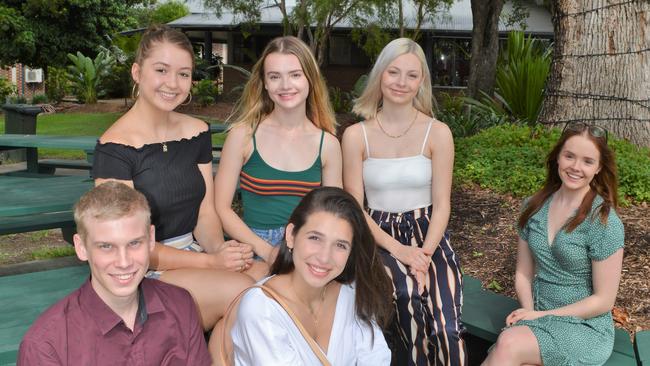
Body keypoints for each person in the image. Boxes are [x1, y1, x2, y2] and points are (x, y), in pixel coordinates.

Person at [91, 25, 254, 360]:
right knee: (246, 294)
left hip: (195, 255)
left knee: (267, 277)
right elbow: (129, 248)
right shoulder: (115, 149)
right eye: (161, 70)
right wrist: (211, 263)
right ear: (137, 72)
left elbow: (206, 214)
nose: (172, 83)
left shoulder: (196, 132)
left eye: (184, 74)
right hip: (138, 272)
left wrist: (222, 250)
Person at [342, 38, 466, 365]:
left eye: (412, 75)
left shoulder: (438, 133)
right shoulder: (357, 136)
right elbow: (355, 206)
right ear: (380, 75)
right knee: (408, 303)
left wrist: (422, 256)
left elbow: (442, 205)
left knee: (447, 328)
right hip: (378, 236)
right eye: (393, 72)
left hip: (430, 236)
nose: (401, 82)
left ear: (422, 81)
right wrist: (400, 251)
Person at [18, 182, 211, 365]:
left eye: (134, 243)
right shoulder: (47, 345)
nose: (124, 262)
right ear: (81, 247)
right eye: (106, 246)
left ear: (151, 239)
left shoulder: (180, 305)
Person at [483, 122, 624, 366]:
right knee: (511, 347)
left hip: (583, 326)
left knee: (508, 344)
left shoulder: (603, 221)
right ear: (558, 157)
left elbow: (604, 301)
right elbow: (523, 274)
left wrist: (540, 316)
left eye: (587, 161)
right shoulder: (533, 207)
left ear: (599, 167)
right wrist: (529, 314)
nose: (575, 167)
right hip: (536, 314)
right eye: (569, 156)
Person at [214, 36, 342, 269]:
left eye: (295, 74)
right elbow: (222, 208)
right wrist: (266, 251)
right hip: (253, 247)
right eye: (275, 76)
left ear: (310, 79)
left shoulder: (328, 145)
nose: (285, 85)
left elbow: (334, 214)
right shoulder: (243, 136)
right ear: (264, 82)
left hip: (308, 248)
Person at [230, 187, 393, 365]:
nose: (324, 257)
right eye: (315, 238)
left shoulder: (351, 293)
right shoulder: (262, 310)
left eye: (340, 245)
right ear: (291, 235)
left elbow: (376, 358)